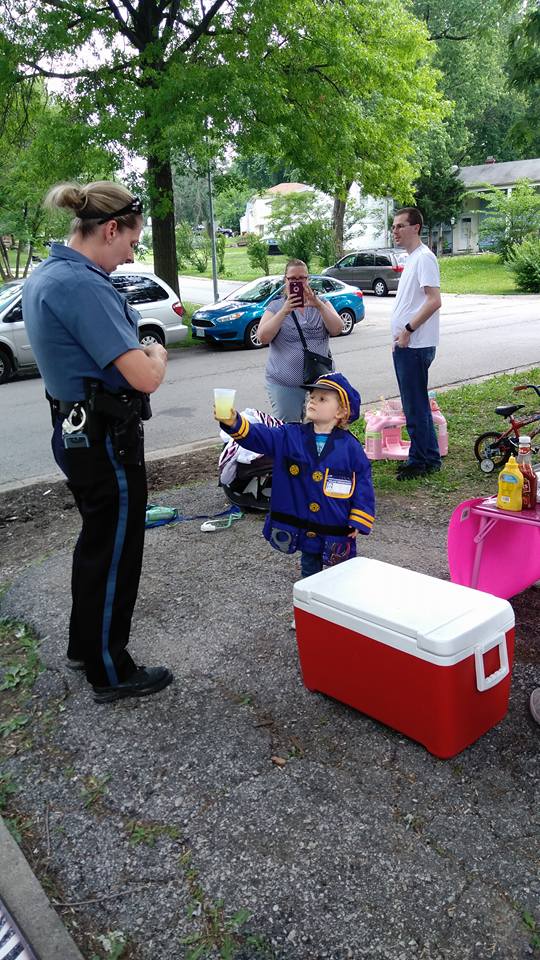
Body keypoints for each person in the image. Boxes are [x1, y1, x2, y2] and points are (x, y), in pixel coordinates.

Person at [22, 180, 173, 704]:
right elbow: (145, 375)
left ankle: (84, 646)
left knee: (96, 545)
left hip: (76, 428)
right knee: (115, 552)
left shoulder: (47, 273)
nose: (130, 254)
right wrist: (155, 352)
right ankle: (110, 670)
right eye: (131, 242)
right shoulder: (83, 285)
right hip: (107, 438)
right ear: (110, 229)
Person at [215, 373, 375, 583]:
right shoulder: (289, 435)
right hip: (304, 525)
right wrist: (234, 422)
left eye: (322, 399)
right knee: (309, 571)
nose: (312, 401)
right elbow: (259, 437)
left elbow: (363, 482)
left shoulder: (351, 447)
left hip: (334, 523)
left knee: (339, 575)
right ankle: (309, 609)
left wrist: (359, 518)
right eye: (312, 396)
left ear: (341, 411)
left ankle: (334, 609)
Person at [390, 207, 442, 480]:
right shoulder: (411, 259)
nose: (395, 231)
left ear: (416, 228)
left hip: (416, 344)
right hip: (406, 343)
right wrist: (398, 336)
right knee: (415, 402)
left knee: (415, 405)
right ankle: (427, 456)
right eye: (394, 226)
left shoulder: (424, 258)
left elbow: (434, 300)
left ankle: (422, 461)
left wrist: (408, 330)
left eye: (400, 226)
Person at [257, 259, 344, 422]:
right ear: (285, 280)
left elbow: (337, 328)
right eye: (293, 278)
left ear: (308, 280)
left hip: (320, 381)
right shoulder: (276, 306)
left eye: (302, 278)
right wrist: (284, 311)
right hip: (284, 384)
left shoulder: (322, 303)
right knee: (289, 431)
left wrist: (318, 305)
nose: (297, 282)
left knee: (320, 426)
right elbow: (262, 337)